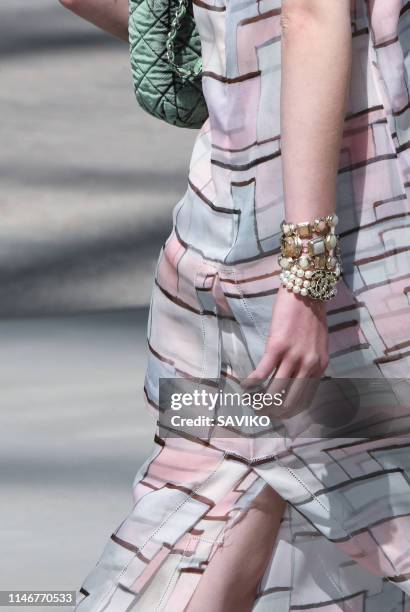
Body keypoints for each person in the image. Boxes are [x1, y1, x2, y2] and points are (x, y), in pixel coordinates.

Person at [60, 0, 410, 610]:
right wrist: (304, 285)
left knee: (224, 504)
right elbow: (310, 11)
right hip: (347, 258)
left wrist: (219, 36)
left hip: (226, 224)